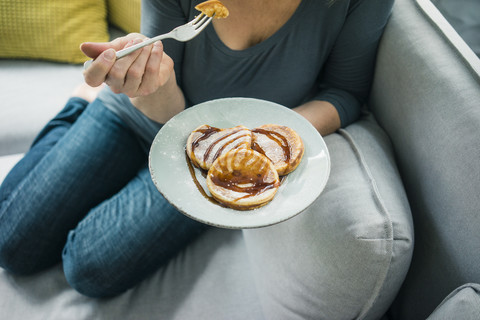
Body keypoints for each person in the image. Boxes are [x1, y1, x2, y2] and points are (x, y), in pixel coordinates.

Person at [0, 0, 394, 298]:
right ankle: (79, 103)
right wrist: (150, 79)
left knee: (89, 270)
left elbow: (344, 93)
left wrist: (256, 144)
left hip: (224, 163)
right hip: (140, 116)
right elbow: (164, 107)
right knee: (11, 246)